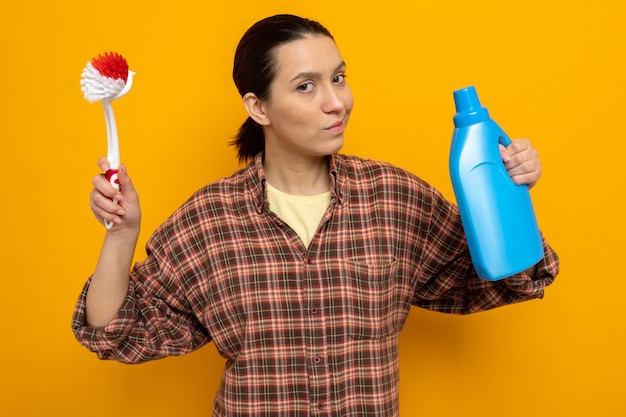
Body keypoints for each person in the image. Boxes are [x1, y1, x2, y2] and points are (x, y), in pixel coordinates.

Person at [72, 14, 560, 416]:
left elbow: (500, 277)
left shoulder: (394, 198)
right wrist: (122, 234)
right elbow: (117, 333)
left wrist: (510, 193)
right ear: (258, 106)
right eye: (306, 86)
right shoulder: (207, 220)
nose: (336, 103)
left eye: (339, 78)